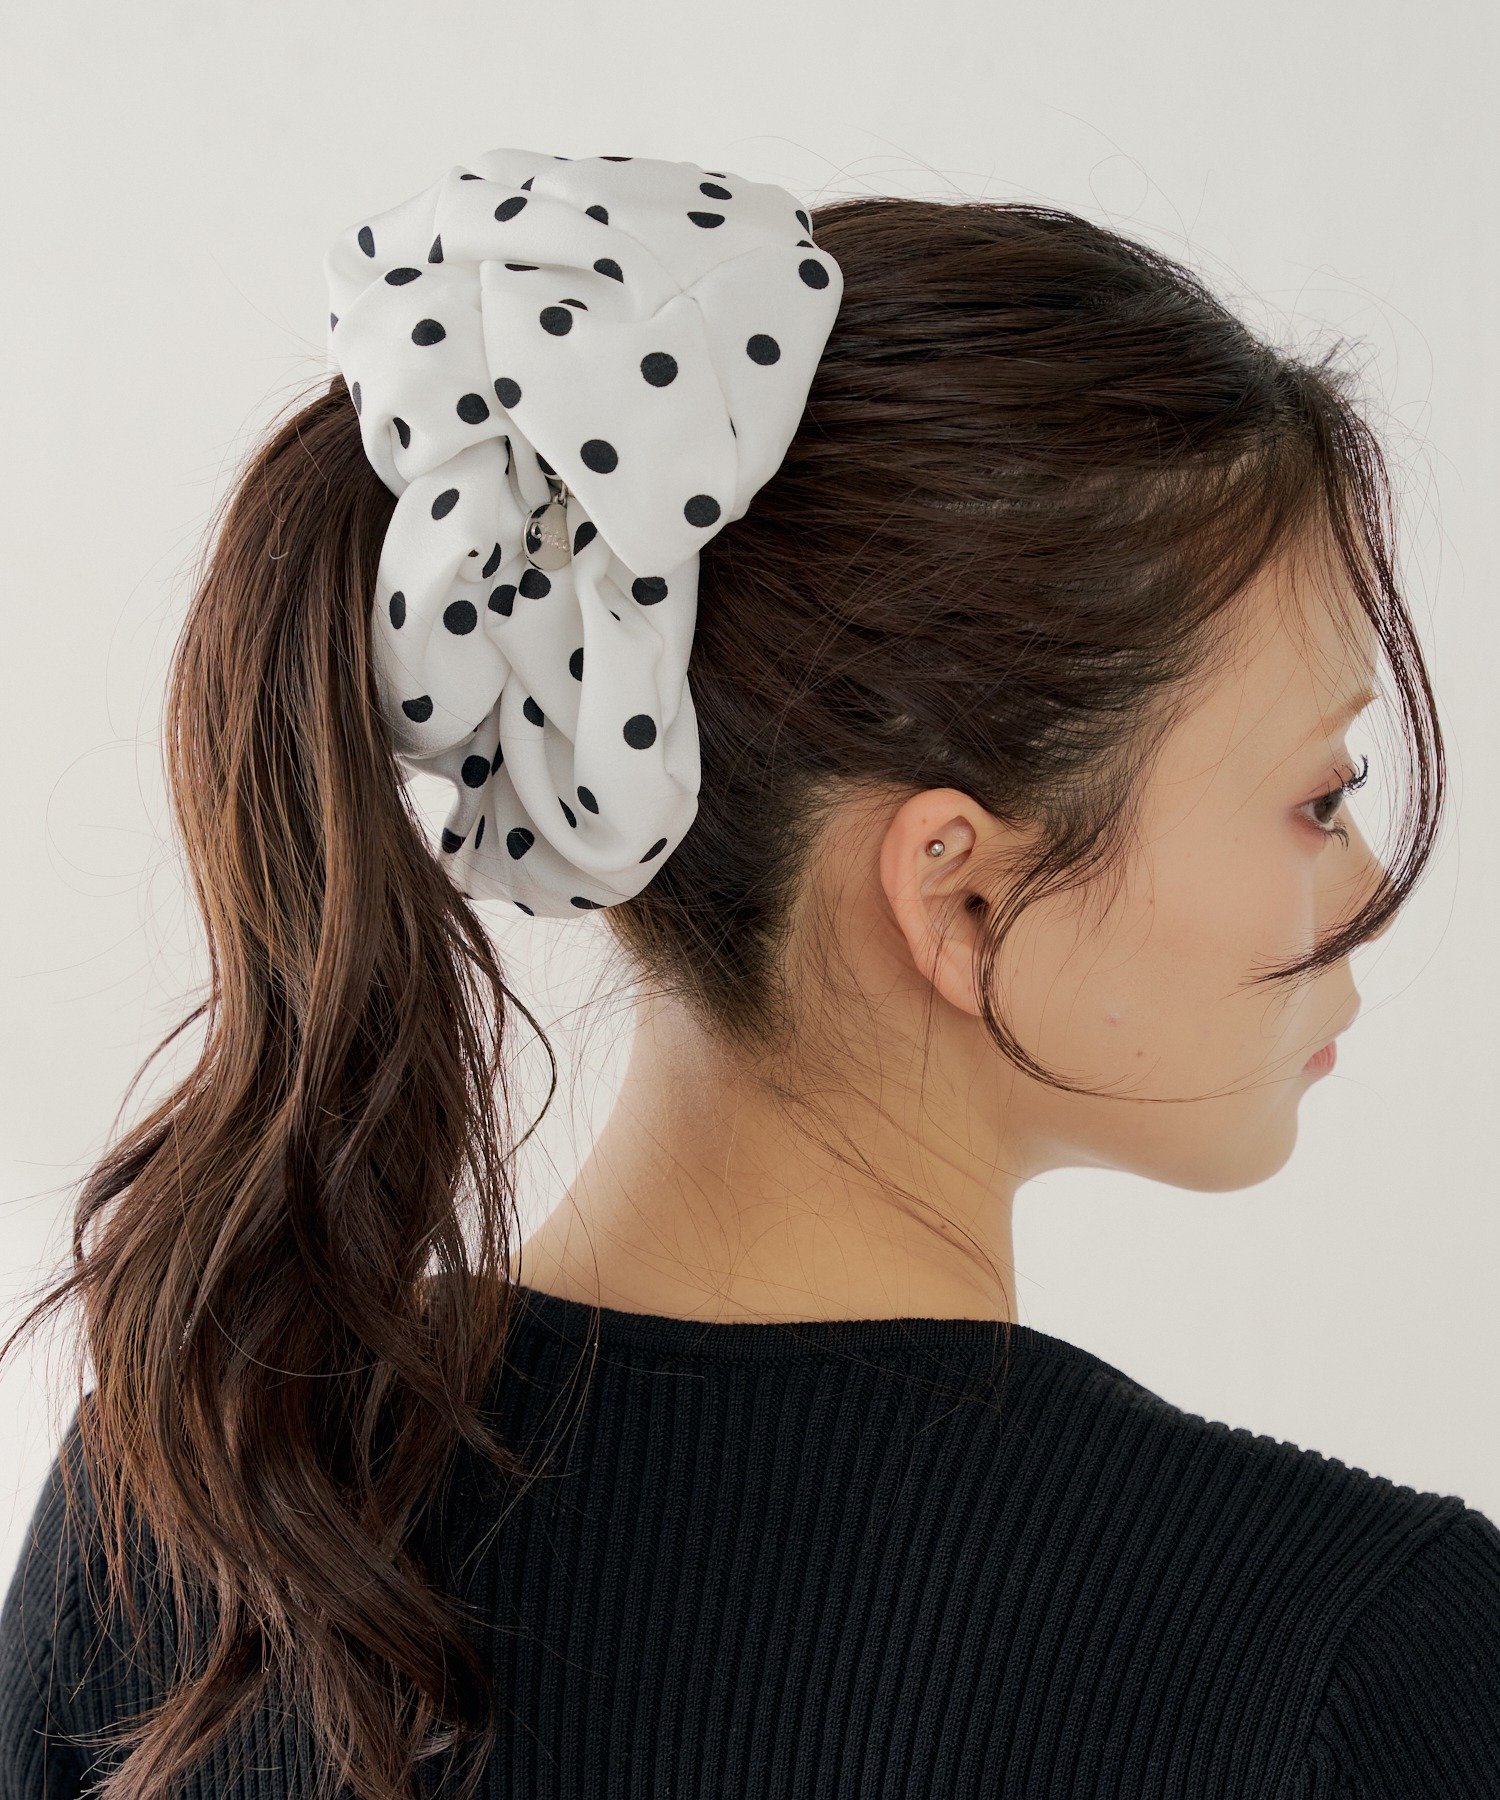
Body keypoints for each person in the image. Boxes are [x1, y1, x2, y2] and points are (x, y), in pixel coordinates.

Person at [1, 146, 1496, 1800]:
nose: (1366, 888)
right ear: (962, 891)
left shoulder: (201, 1502)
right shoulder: (1355, 1662)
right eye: (1321, 796)